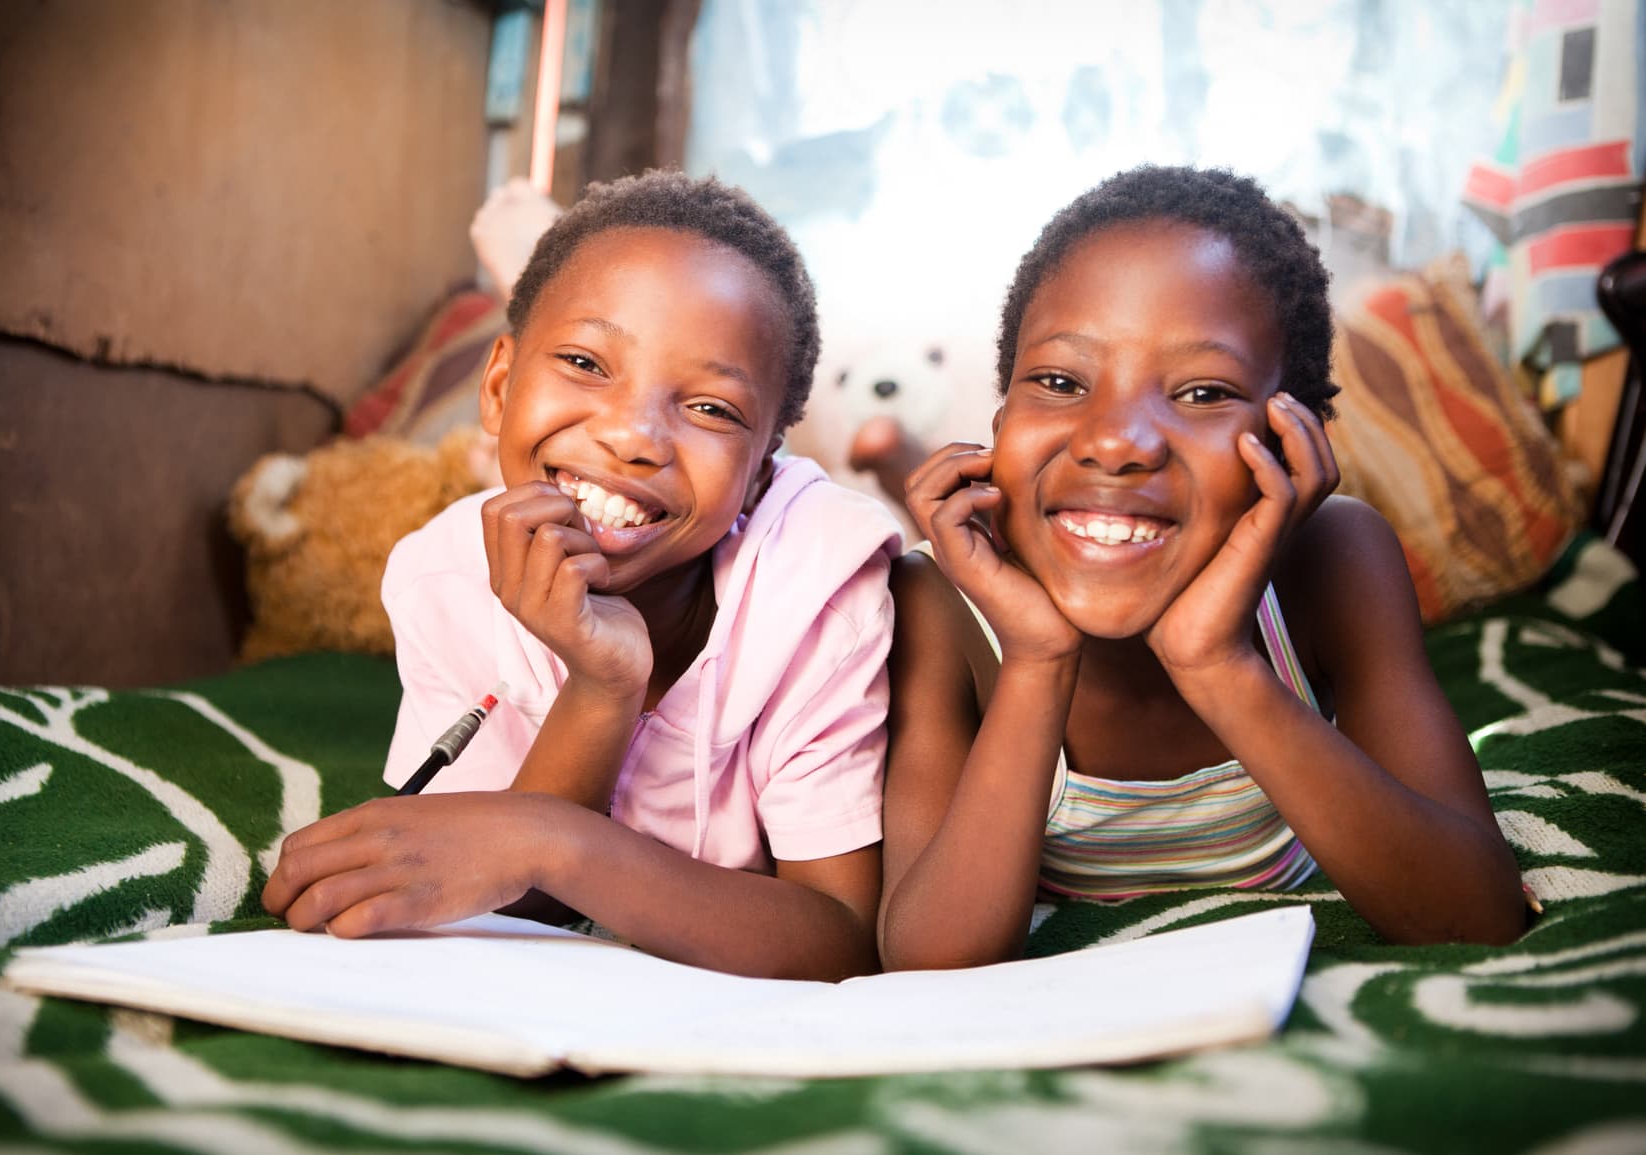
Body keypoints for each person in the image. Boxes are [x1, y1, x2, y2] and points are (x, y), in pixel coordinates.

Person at [879, 166, 1529, 971]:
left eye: (1201, 392)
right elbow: (927, 962)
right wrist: (1039, 661)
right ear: (1001, 417)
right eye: (1058, 380)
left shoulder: (1335, 560)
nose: (1116, 441)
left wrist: (1216, 662)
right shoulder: (939, 602)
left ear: (1295, 444)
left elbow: (1480, 914)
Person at [263, 171, 901, 981]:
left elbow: (840, 937)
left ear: (762, 467)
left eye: (711, 408)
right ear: (497, 388)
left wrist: (549, 840)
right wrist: (604, 685)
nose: (633, 436)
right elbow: (485, 889)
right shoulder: (443, 580)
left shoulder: (817, 599)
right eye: (584, 362)